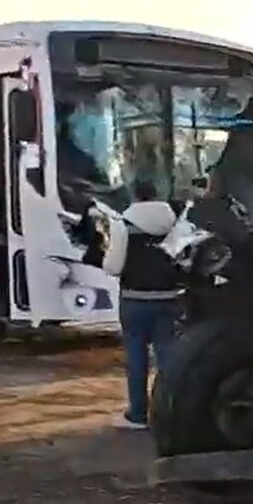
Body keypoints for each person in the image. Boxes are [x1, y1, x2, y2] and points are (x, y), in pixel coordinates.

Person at [86, 181, 183, 429]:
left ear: (135, 197)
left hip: (134, 300)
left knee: (137, 360)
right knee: (168, 359)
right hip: (170, 298)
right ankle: (172, 413)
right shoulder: (175, 223)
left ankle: (138, 415)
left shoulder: (123, 225)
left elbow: (113, 266)